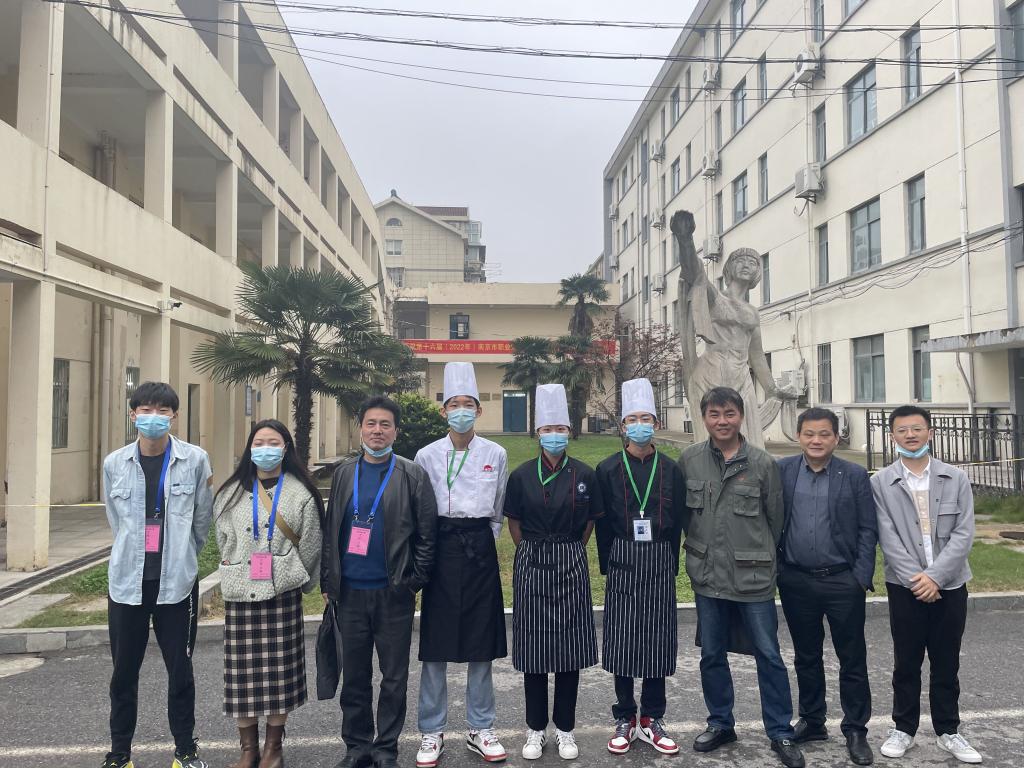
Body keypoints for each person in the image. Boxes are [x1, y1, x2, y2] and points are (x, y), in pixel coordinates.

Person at [679, 386, 804, 768]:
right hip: (708, 575)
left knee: (769, 655)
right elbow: (686, 517)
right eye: (714, 414)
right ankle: (720, 723)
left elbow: (776, 519)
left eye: (729, 413)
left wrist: (757, 556)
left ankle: (780, 731)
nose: (722, 421)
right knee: (712, 654)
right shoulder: (690, 460)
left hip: (753, 578)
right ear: (704, 417)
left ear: (741, 417)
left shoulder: (763, 464)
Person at [100, 381, 214, 768]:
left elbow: (201, 520)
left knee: (180, 671)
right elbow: (116, 521)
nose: (154, 417)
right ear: (132, 414)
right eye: (145, 410)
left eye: (162, 411)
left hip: (176, 586)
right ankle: (119, 755)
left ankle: (185, 751)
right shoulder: (115, 463)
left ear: (174, 416)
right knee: (123, 673)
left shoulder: (195, 460)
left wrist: (182, 556)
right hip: (127, 585)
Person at [322, 396, 438, 768]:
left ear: (396, 432)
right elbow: (331, 531)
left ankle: (386, 748)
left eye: (385, 424)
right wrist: (328, 579)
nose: (377, 431)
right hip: (350, 594)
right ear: (361, 428)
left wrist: (412, 582)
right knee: (355, 677)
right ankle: (357, 747)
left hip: (393, 593)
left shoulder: (411, 474)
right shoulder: (343, 473)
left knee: (393, 678)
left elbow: (427, 535)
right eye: (371, 423)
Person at [872, 406, 981, 764]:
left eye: (917, 428)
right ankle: (903, 729)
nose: (910, 435)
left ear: (930, 433)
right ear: (892, 436)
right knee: (906, 661)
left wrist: (936, 577)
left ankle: (949, 731)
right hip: (905, 587)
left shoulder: (955, 477)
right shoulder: (881, 482)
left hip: (950, 585)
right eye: (902, 430)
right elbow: (887, 537)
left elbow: (964, 533)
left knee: (946, 661)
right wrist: (917, 579)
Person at [414, 362, 509, 767]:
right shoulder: (425, 455)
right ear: (443, 411)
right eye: (454, 405)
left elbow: (498, 507)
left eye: (468, 404)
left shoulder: (496, 453)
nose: (461, 411)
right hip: (440, 547)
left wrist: (485, 542)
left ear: (479, 410)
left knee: (480, 643)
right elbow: (421, 508)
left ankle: (480, 727)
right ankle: (431, 730)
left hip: (479, 550)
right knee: (435, 644)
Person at [214, 419, 324, 768]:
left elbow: (311, 544)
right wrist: (236, 566)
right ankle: (248, 748)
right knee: (242, 677)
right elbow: (223, 539)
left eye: (273, 442)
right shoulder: (231, 492)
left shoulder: (300, 493)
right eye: (259, 442)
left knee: (280, 675)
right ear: (250, 448)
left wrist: (294, 574)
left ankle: (273, 748)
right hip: (241, 592)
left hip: (281, 592)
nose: (265, 449)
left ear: (285, 448)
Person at [504, 384, 602, 761]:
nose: (555, 435)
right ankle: (535, 729)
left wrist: (569, 548)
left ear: (569, 431)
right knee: (533, 650)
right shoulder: (521, 475)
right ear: (538, 433)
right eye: (548, 429)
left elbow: (590, 523)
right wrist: (532, 550)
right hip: (532, 559)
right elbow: (514, 522)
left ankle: (565, 729)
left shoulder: (585, 474)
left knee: (569, 650)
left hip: (570, 558)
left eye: (560, 428)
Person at [777, 408, 877, 766]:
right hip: (796, 580)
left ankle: (855, 729)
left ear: (836, 438)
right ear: (798, 436)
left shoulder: (853, 474)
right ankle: (813, 720)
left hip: (842, 581)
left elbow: (868, 529)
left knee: (852, 657)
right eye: (809, 434)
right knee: (806, 655)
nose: (816, 440)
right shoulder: (783, 470)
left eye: (824, 434)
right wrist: (780, 570)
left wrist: (859, 576)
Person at [594, 378, 686, 757]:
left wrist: (670, 561)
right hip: (622, 557)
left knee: (658, 641)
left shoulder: (672, 470)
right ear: (622, 426)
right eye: (632, 419)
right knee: (622, 638)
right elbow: (602, 523)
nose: (639, 425)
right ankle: (625, 716)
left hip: (660, 557)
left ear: (656, 423)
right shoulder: (607, 469)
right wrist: (609, 563)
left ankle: (652, 718)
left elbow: (677, 523)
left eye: (645, 418)